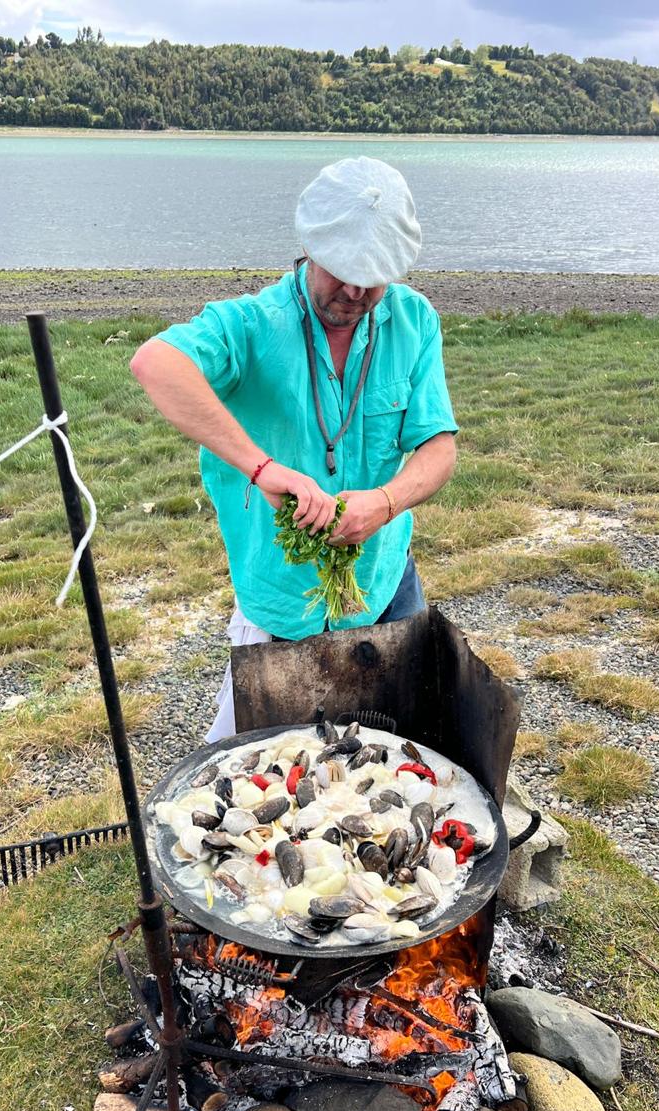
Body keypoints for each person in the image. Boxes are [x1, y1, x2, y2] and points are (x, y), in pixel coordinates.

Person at [129, 156, 458, 741]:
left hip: (386, 585)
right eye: (342, 271)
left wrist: (385, 503)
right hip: (284, 599)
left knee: (404, 751)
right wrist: (261, 468)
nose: (355, 291)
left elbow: (439, 447)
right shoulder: (253, 324)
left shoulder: (414, 321)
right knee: (271, 759)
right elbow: (155, 363)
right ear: (310, 246)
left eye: (374, 277)